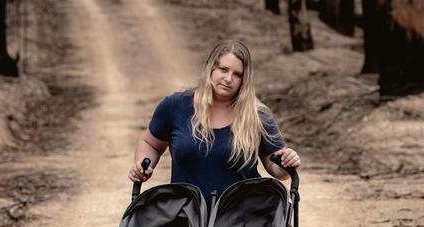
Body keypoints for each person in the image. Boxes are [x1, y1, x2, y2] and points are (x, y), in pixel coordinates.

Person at [128, 39, 301, 198]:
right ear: (210, 68)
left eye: (237, 74)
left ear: (244, 80)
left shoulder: (257, 115)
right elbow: (150, 143)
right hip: (187, 215)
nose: (228, 79)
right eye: (223, 70)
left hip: (242, 218)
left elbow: (277, 170)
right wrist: (143, 166)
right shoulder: (175, 105)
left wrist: (287, 162)